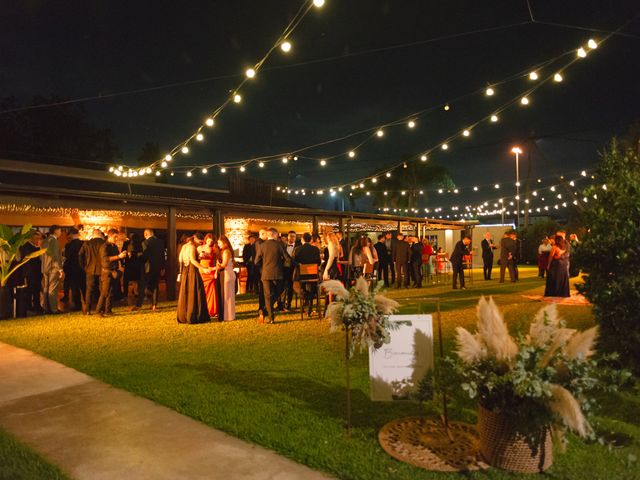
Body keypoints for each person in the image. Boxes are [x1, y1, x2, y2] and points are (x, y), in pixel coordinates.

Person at [177, 233, 211, 324]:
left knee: (185, 293)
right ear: (195, 239)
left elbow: (180, 259)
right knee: (195, 292)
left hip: (185, 271)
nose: (200, 244)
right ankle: (194, 315)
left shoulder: (184, 246)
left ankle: (183, 316)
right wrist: (203, 268)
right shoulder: (192, 246)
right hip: (192, 271)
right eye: (200, 242)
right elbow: (193, 260)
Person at [255, 228, 286, 324]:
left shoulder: (262, 246)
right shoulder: (279, 245)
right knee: (278, 292)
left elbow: (256, 261)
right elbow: (287, 258)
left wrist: (263, 267)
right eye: (277, 235)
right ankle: (270, 316)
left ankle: (266, 313)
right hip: (278, 273)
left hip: (266, 273)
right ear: (274, 234)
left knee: (268, 296)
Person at [96, 229, 128, 317]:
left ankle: (108, 310)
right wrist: (118, 256)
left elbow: (118, 257)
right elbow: (105, 260)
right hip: (106, 273)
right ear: (110, 236)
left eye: (117, 237)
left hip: (114, 272)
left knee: (111, 292)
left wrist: (124, 255)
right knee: (104, 292)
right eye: (115, 237)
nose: (117, 239)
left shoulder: (114, 246)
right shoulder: (104, 246)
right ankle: (99, 311)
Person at [133, 229, 164, 312]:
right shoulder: (160, 242)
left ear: (146, 234)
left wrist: (138, 256)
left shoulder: (145, 243)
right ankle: (154, 305)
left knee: (142, 286)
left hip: (147, 268)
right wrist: (162, 267)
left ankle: (139, 305)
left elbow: (145, 256)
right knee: (155, 286)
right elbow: (162, 256)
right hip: (157, 267)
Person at [292, 232, 321, 316]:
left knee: (297, 286)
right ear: (311, 240)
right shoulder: (315, 249)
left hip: (301, 276)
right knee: (312, 288)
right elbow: (318, 263)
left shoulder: (297, 249)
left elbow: (294, 262)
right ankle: (310, 307)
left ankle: (304, 296)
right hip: (313, 276)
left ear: (302, 240)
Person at [79, 229, 105, 315]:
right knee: (102, 289)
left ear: (93, 235)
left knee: (89, 290)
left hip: (89, 269)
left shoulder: (87, 243)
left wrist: (83, 267)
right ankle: (101, 308)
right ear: (100, 234)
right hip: (102, 269)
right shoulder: (104, 243)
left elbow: (80, 255)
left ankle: (88, 310)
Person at [19, 230, 44, 314]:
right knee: (31, 290)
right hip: (31, 272)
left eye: (39, 238)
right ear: (31, 237)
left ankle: (35, 305)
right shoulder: (26, 246)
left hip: (35, 272)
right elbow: (30, 259)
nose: (38, 240)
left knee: (36, 289)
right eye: (36, 238)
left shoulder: (33, 246)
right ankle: (31, 306)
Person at [41, 225, 64, 314]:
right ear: (56, 231)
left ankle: (46, 308)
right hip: (53, 268)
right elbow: (55, 256)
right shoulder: (54, 241)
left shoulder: (45, 240)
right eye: (60, 231)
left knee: (46, 288)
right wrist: (60, 269)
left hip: (44, 267)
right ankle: (53, 309)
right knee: (53, 289)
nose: (60, 233)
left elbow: (41, 256)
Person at [216, 235, 236, 321]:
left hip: (227, 275)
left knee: (226, 296)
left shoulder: (225, 252)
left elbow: (223, 265)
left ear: (224, 242)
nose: (218, 245)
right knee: (230, 296)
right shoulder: (228, 251)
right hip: (230, 273)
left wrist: (217, 265)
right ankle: (230, 315)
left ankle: (227, 316)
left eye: (220, 243)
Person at [63, 227, 84, 311]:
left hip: (72, 268)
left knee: (75, 287)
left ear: (71, 234)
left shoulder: (68, 245)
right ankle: (87, 303)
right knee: (83, 286)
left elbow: (67, 256)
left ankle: (77, 305)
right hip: (82, 268)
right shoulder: (83, 243)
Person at [253, 228, 269, 320]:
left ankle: (263, 307)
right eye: (266, 234)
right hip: (261, 270)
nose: (267, 236)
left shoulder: (258, 242)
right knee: (262, 290)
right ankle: (262, 308)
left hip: (260, 270)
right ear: (262, 234)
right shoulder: (260, 243)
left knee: (263, 290)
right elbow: (260, 257)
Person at [123, 232, 143, 301]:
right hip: (129, 262)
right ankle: (126, 294)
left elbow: (140, 252)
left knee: (135, 279)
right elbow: (123, 251)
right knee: (127, 279)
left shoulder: (138, 244)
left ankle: (135, 292)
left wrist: (134, 254)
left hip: (134, 263)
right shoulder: (126, 243)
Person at [281, 231, 297, 312]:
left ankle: (288, 304)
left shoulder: (298, 247)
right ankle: (281, 304)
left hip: (293, 269)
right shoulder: (283, 246)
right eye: (290, 236)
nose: (292, 238)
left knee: (290, 287)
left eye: (294, 236)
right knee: (283, 287)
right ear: (288, 237)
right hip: (284, 269)